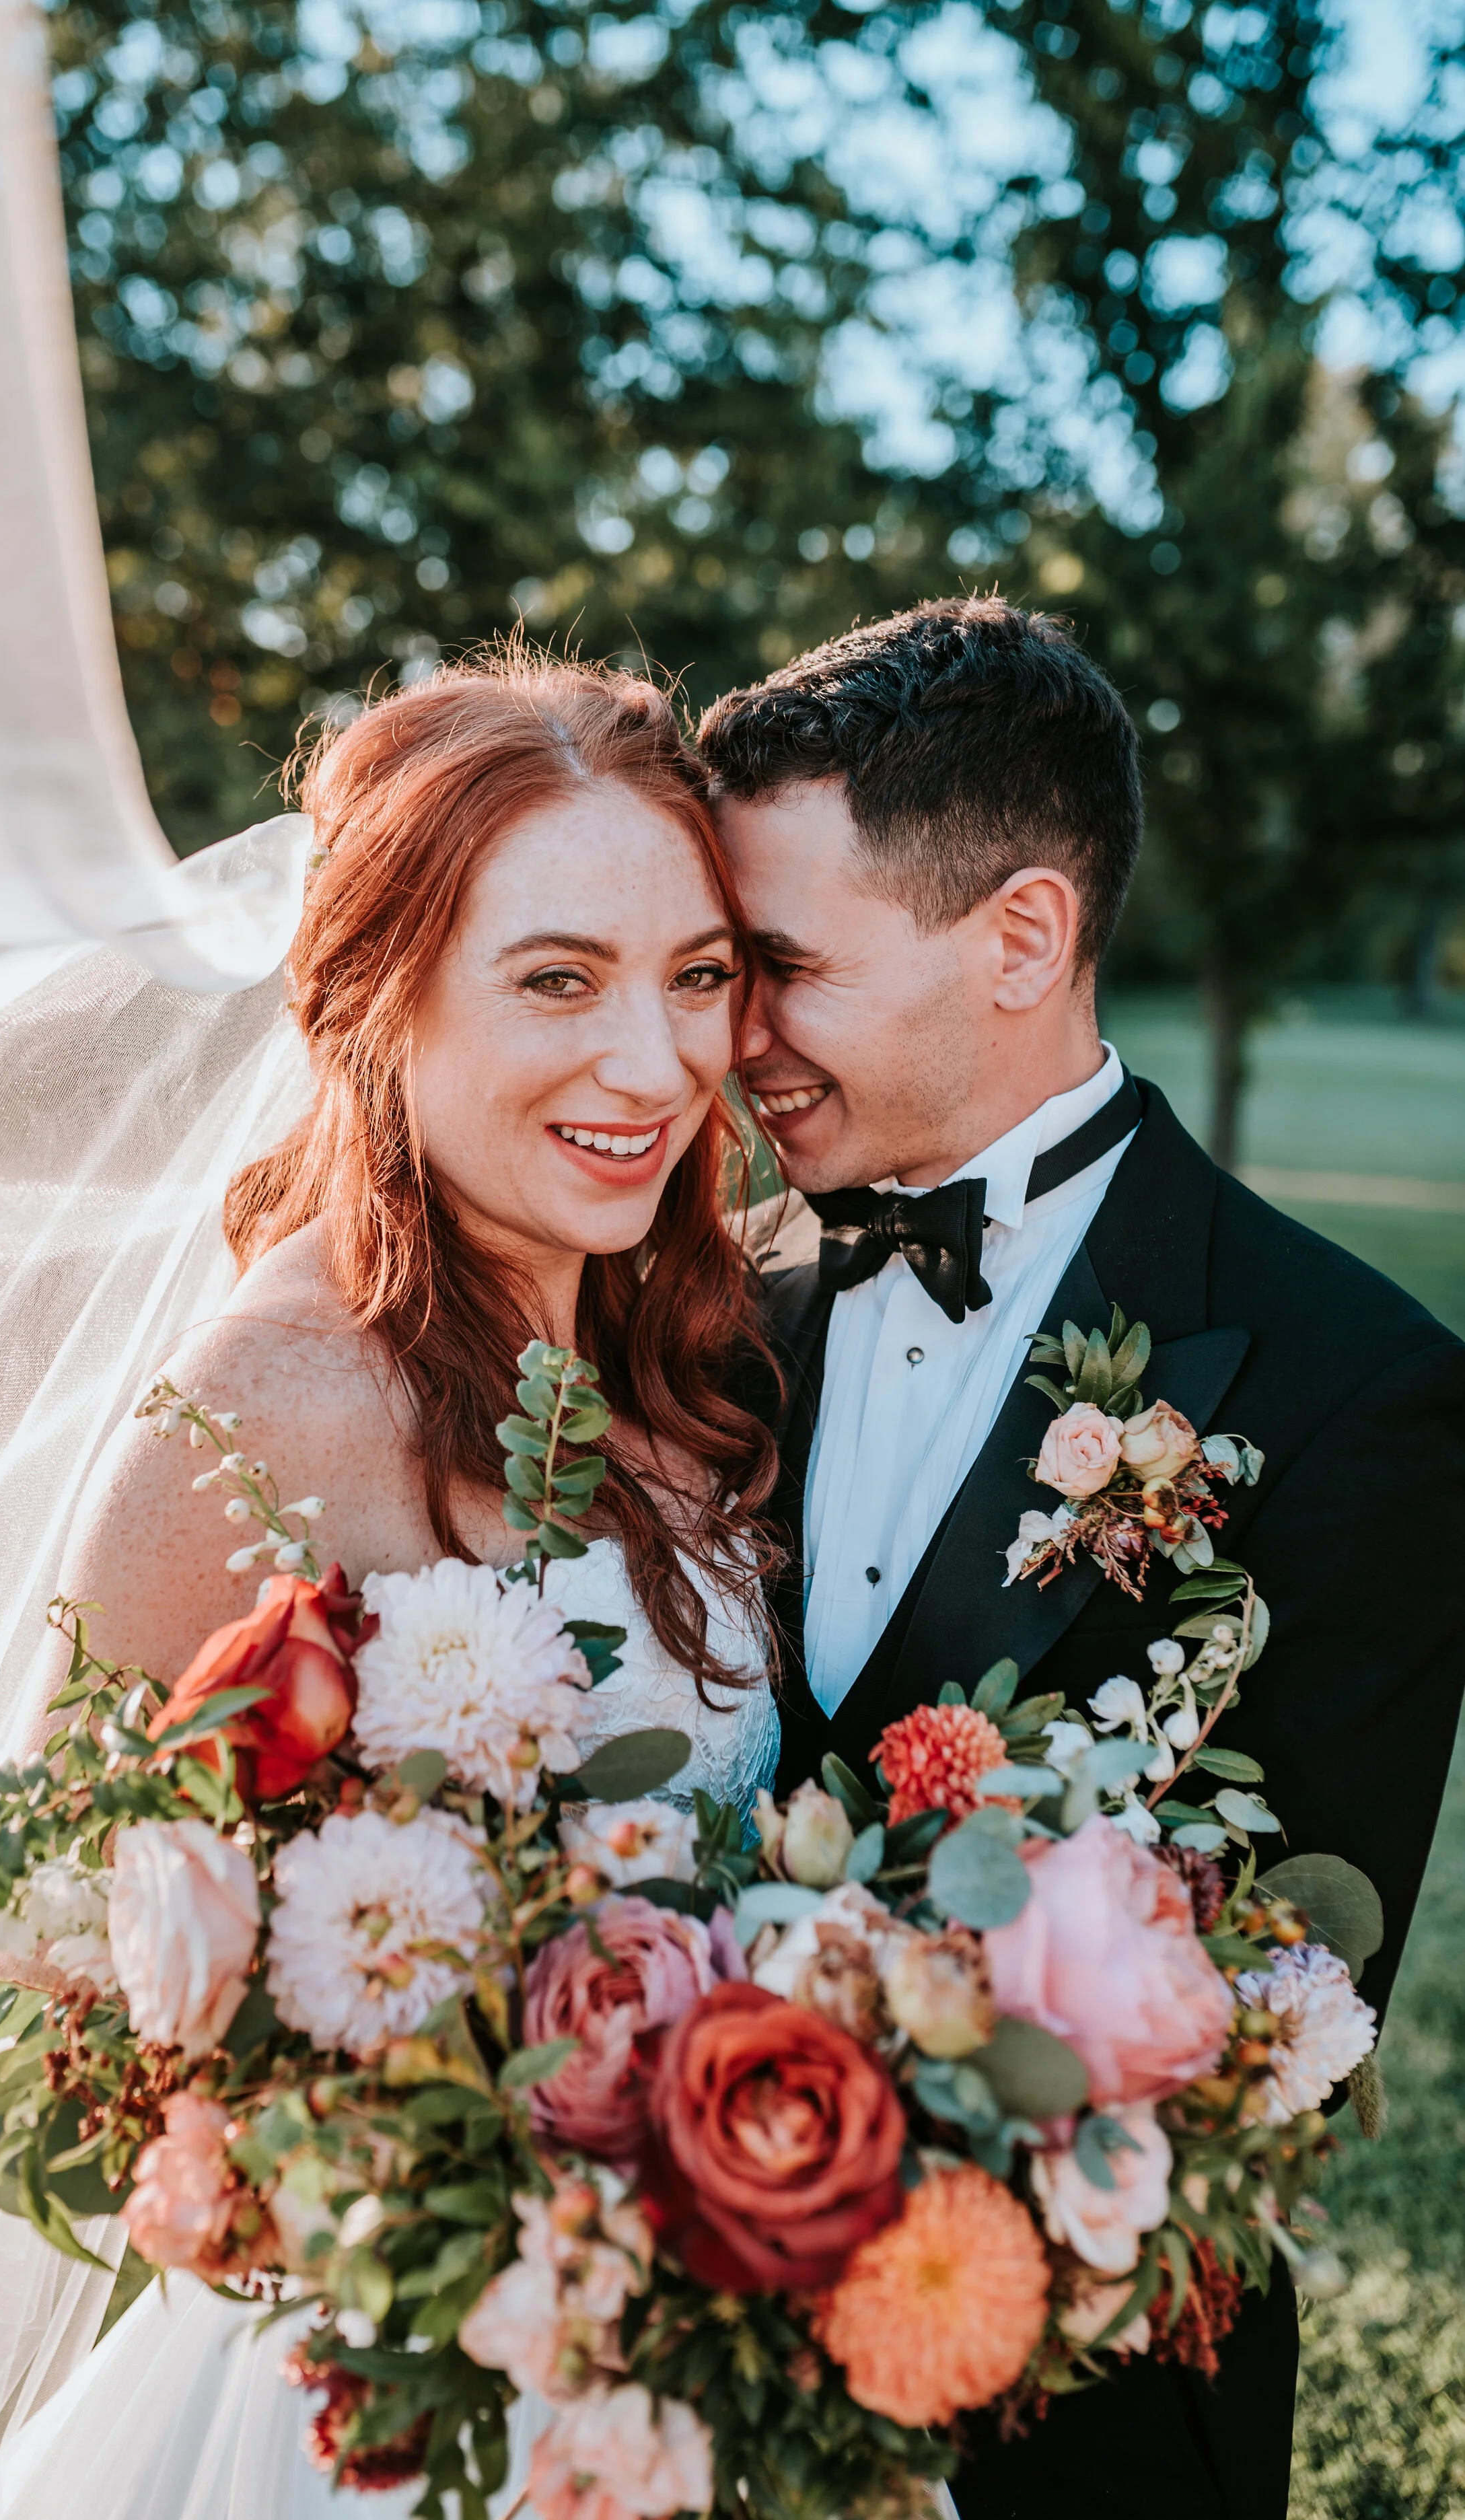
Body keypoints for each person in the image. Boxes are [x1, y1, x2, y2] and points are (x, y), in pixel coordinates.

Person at [0, 650, 783, 2520]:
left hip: (702, 2361)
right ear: (381, 1001)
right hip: (396, 2405)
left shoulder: (683, 1368)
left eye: (695, 977)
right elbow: (81, 1973)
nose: (653, 1065)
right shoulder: (268, 1409)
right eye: (556, 979)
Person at [701, 595, 1465, 2520]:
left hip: (1071, 2421)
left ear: (1023, 935)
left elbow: (1267, 2014)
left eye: (782, 966)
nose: (735, 1039)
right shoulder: (697, 1329)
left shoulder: (1357, 1389)